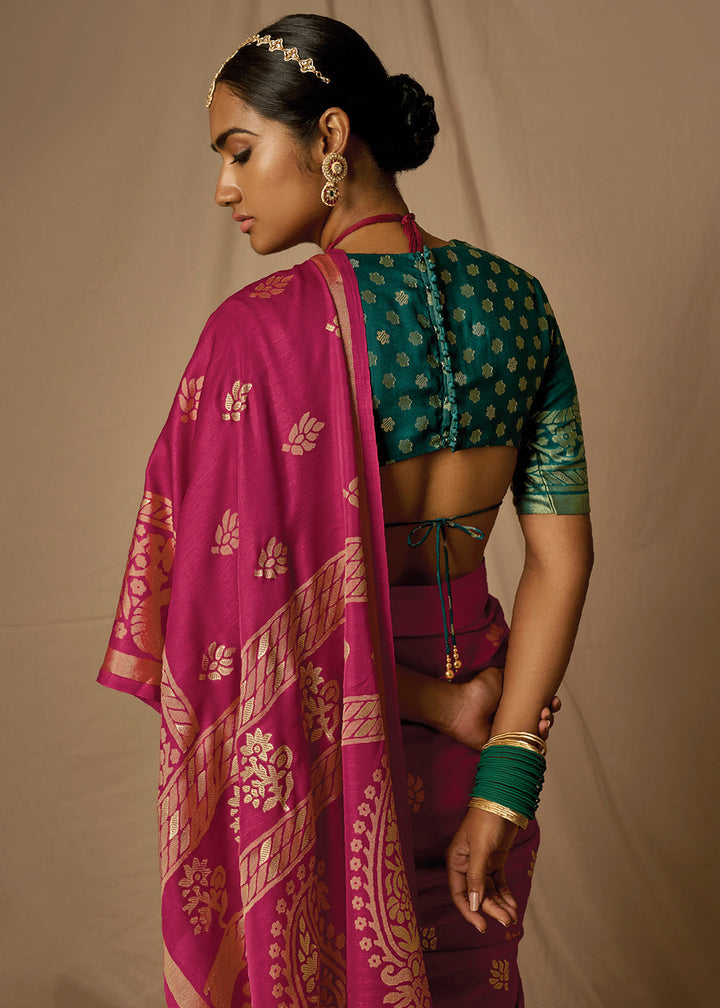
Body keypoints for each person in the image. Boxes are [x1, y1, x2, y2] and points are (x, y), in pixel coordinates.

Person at [98, 13, 592, 1008]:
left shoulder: (254, 336)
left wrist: (444, 710)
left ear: (330, 135)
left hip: (323, 755)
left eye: (240, 151)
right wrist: (503, 773)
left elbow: (222, 624)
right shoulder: (519, 304)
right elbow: (561, 558)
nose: (224, 187)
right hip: (489, 724)